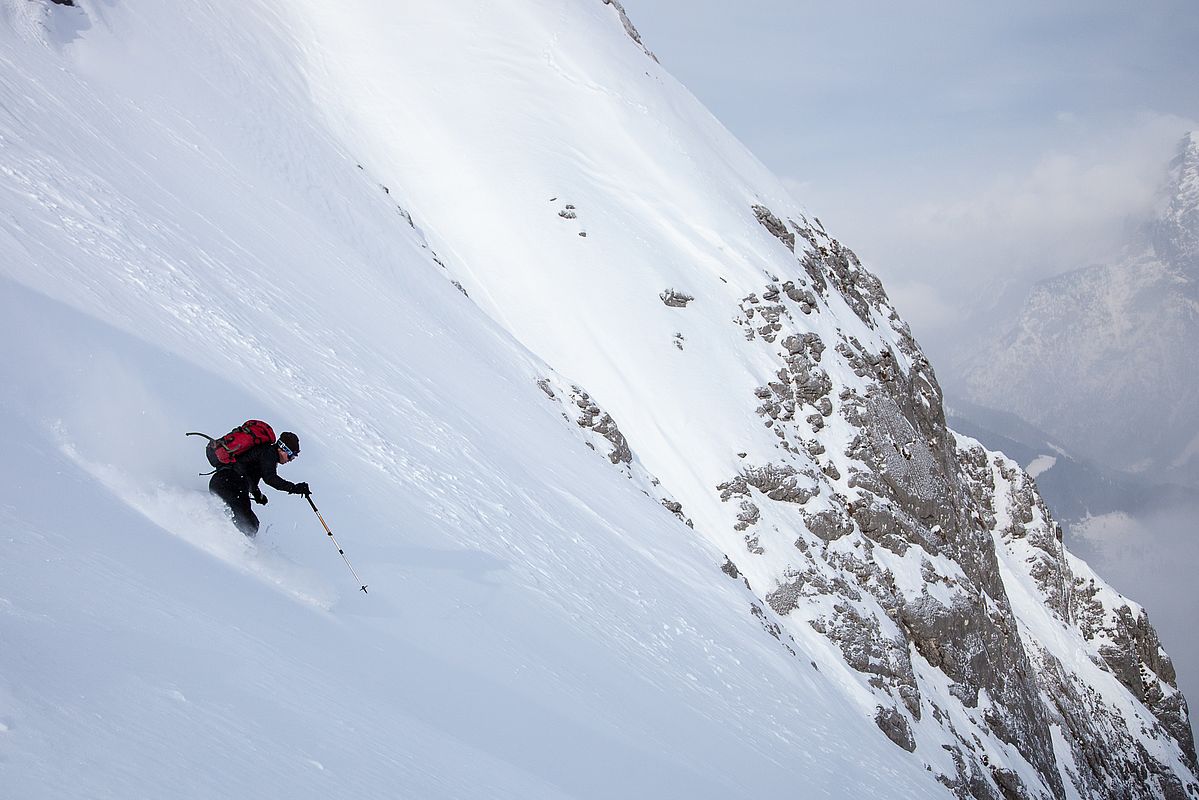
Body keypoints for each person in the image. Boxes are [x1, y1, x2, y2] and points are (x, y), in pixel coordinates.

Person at [209, 431, 310, 537]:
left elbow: (247, 474)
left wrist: (258, 495)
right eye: (291, 456)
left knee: (251, 524)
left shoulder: (263, 453)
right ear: (283, 449)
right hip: (229, 485)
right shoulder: (269, 453)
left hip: (223, 482)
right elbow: (270, 478)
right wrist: (294, 488)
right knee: (249, 527)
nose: (290, 460)